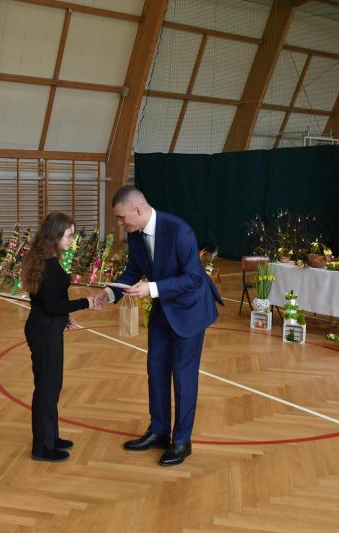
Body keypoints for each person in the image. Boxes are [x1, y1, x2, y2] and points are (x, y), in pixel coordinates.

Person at [96, 186, 223, 466]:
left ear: (138, 209)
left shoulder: (179, 230)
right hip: (162, 311)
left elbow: (194, 278)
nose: (119, 223)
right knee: (156, 372)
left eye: (121, 217)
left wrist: (152, 288)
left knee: (183, 377)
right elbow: (133, 271)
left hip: (189, 312)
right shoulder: (135, 234)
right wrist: (110, 292)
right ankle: (159, 431)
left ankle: (182, 442)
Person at [22, 212, 101, 462]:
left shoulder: (45, 259)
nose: (71, 240)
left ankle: (51, 438)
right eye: (68, 235)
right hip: (44, 331)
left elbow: (48, 301)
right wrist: (86, 302)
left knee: (51, 386)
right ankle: (42, 448)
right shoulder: (49, 264)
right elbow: (53, 305)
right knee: (46, 389)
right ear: (55, 236)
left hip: (46, 327)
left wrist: (64, 318)